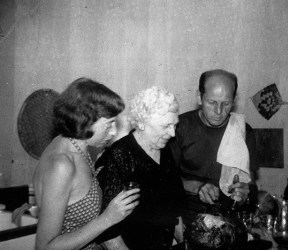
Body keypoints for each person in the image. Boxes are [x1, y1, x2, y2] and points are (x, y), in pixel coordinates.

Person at [33, 78, 140, 250]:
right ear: (85, 120)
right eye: (109, 124)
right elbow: (45, 247)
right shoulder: (62, 164)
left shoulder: (79, 146)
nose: (113, 132)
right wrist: (108, 218)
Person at [95, 86, 185, 250]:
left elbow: (175, 209)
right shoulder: (118, 157)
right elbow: (108, 234)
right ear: (142, 123)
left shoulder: (164, 148)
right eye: (165, 126)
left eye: (175, 125)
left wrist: (185, 244)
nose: (172, 133)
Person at [169, 69, 259, 225]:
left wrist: (245, 193)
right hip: (187, 216)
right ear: (199, 97)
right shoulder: (178, 128)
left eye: (226, 103)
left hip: (228, 218)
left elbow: (251, 185)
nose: (218, 111)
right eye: (211, 102)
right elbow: (164, 181)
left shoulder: (243, 131)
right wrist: (197, 187)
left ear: (234, 100)